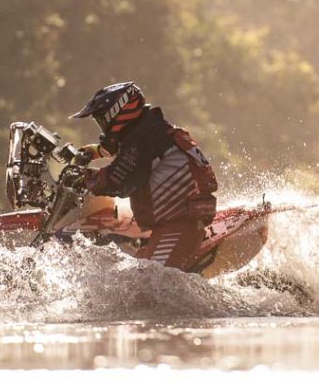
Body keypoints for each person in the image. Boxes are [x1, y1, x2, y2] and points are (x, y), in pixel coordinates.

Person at [70, 82, 218, 273]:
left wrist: (84, 179)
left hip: (177, 228)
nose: (103, 127)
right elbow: (134, 159)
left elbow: (120, 181)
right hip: (176, 224)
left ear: (118, 112)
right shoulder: (150, 129)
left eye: (102, 120)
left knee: (146, 288)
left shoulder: (143, 137)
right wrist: (98, 151)